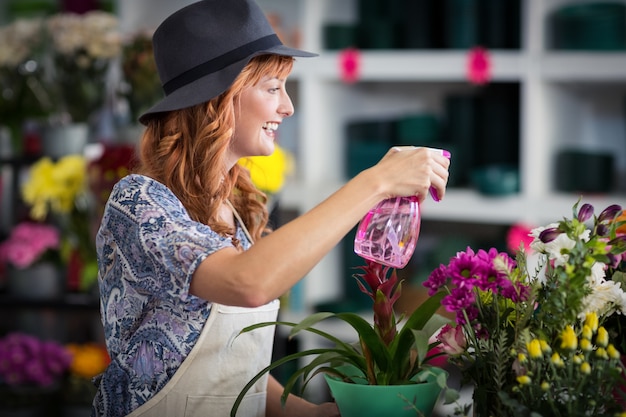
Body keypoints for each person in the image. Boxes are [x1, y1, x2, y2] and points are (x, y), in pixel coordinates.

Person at [92, 0, 450, 416]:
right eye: (272, 87)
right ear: (219, 99)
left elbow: (234, 362)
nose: (287, 107)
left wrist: (313, 414)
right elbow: (248, 284)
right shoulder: (138, 204)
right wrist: (376, 181)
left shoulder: (234, 213)